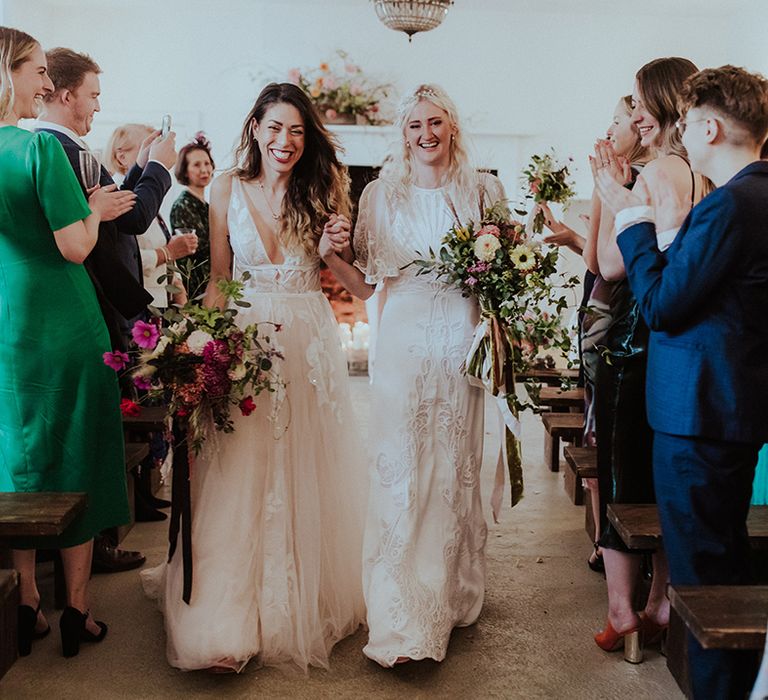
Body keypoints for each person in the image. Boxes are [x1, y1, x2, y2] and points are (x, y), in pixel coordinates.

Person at [141, 82, 367, 673]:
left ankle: (297, 601)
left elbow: (337, 267)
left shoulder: (322, 188)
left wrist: (333, 247)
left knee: (303, 461)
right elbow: (220, 277)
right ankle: (226, 616)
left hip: (306, 338)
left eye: (295, 130)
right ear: (255, 130)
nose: (284, 141)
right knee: (237, 467)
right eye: (274, 128)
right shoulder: (225, 187)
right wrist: (197, 345)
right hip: (246, 338)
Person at [594, 64, 768, 698]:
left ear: (710, 125)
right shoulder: (749, 195)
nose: (682, 135)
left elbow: (664, 304)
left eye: (690, 124)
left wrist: (631, 220)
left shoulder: (732, 203)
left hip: (701, 413)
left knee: (705, 579)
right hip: (719, 406)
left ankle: (719, 690)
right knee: (712, 562)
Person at [320, 83, 505, 666]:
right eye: (414, 126)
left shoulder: (484, 191)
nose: (425, 135)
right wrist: (330, 258)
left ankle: (449, 590)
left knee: (452, 464)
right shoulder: (378, 195)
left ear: (452, 126)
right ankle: (400, 614)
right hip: (401, 340)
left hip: (459, 340)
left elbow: (501, 282)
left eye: (435, 123)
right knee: (401, 466)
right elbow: (369, 286)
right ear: (402, 135)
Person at [0, 26, 136, 657]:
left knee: (20, 459)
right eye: (35, 72)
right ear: (8, 74)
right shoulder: (37, 152)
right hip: (64, 320)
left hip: (9, 323)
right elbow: (76, 246)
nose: (45, 84)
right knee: (78, 451)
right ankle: (76, 611)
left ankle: (25, 600)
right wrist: (97, 211)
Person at [36, 47, 177, 571]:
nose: (99, 104)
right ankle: (92, 547)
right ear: (67, 94)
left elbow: (114, 209)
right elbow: (133, 219)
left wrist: (140, 164)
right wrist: (160, 166)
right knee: (96, 432)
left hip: (87, 301)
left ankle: (94, 544)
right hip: (90, 302)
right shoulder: (63, 151)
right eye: (93, 94)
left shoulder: (67, 149)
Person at [588, 58, 704, 663]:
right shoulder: (701, 171)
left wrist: (609, 192)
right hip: (681, 344)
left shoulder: (655, 171)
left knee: (619, 473)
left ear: (660, 109)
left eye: (637, 104)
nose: (632, 115)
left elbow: (609, 266)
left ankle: (621, 612)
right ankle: (660, 603)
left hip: (635, 340)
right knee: (662, 478)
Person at [536, 95, 649, 575]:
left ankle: (610, 538)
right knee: (604, 426)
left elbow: (600, 262)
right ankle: (610, 537)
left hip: (617, 316)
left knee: (605, 428)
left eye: (619, 120)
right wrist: (573, 234)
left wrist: (601, 189)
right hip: (611, 306)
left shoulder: (634, 180)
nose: (609, 129)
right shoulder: (646, 178)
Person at [104, 123, 197, 308]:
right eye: (147, 149)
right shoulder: (114, 197)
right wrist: (167, 253)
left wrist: (179, 290)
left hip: (165, 301)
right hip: (140, 305)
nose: (156, 153)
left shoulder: (143, 192)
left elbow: (163, 242)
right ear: (122, 157)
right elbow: (123, 257)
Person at [170, 132, 214, 299]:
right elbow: (188, 255)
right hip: (195, 290)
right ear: (185, 170)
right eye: (196, 165)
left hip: (213, 286)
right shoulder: (183, 205)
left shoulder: (208, 206)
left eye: (207, 163)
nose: (204, 169)